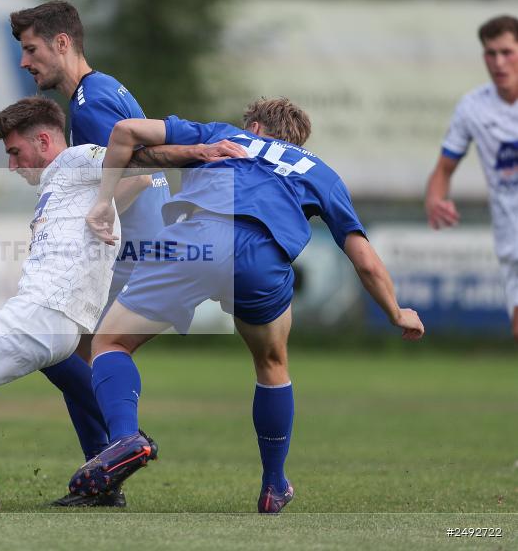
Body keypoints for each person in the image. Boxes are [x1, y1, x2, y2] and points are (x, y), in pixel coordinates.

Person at [0, 97, 236, 512]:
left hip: (42, 312)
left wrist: (199, 152)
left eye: (15, 152)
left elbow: (140, 158)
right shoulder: (69, 186)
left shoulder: (74, 160)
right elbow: (126, 181)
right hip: (55, 320)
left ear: (44, 141)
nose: (12, 165)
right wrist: (108, 205)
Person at [69, 98, 425, 513]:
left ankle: (125, 439)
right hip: (263, 258)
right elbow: (364, 260)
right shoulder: (321, 173)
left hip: (197, 241)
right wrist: (396, 312)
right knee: (272, 363)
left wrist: (109, 192)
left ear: (255, 127)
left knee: (111, 342)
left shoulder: (223, 135)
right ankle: (274, 485)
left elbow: (126, 130)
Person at [10, 0, 171, 507]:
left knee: (62, 348)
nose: (25, 62)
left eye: (31, 49)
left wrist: (88, 215)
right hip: (146, 246)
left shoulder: (90, 104)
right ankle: (106, 469)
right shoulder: (103, 90)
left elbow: (138, 176)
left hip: (139, 251)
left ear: (62, 43)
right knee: (68, 349)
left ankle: (113, 455)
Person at [425, 15, 518, 341]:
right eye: (491, 53)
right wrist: (435, 199)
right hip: (511, 236)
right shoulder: (473, 107)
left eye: (507, 52)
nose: (499, 62)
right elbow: (444, 169)